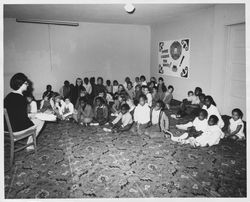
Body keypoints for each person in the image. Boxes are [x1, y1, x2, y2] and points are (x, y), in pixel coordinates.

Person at [4, 73, 45, 151]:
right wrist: (35, 116)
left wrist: (32, 115)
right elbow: (23, 119)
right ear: (20, 84)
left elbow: (16, 114)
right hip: (16, 130)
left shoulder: (8, 96)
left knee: (36, 117)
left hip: (5, 129)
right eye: (26, 83)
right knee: (41, 121)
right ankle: (29, 145)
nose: (28, 84)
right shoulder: (21, 98)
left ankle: (28, 144)